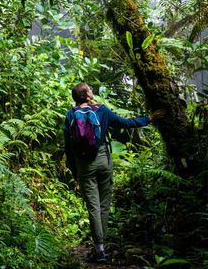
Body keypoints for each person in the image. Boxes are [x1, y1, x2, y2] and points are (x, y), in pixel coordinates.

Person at [63, 82, 164, 263]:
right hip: (103, 160)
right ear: (86, 95)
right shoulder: (102, 110)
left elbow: (68, 148)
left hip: (83, 165)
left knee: (92, 206)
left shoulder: (70, 115)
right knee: (104, 203)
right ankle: (103, 243)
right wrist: (148, 118)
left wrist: (74, 171)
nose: (93, 91)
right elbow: (126, 123)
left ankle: (99, 248)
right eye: (90, 89)